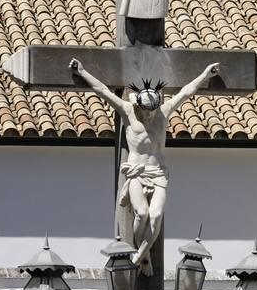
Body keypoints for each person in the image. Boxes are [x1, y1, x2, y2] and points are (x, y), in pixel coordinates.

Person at [68, 58, 220, 276]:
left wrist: (206, 75)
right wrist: (82, 72)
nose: (149, 115)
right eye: (146, 110)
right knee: (142, 213)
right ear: (138, 104)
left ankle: (139, 254)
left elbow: (187, 92)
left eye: (152, 110)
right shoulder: (128, 112)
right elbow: (102, 90)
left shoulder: (163, 112)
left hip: (158, 173)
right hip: (137, 173)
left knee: (156, 215)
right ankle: (144, 255)